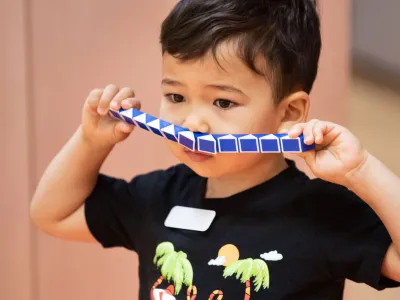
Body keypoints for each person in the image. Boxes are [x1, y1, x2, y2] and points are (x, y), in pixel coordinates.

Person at [30, 0, 400, 299]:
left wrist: (361, 170)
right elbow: (54, 214)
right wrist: (90, 141)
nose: (193, 123)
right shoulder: (157, 197)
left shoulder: (322, 213)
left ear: (289, 112)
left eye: (223, 103)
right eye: (176, 96)